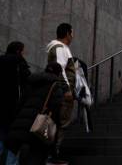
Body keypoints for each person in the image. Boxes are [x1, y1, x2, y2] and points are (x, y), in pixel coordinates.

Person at [5, 62, 69, 165]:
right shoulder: (55, 85)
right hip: (39, 123)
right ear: (58, 73)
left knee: (15, 150)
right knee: (37, 153)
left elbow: (21, 101)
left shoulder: (32, 81)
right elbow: (56, 107)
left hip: (21, 121)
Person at [0, 41, 31, 165]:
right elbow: (27, 82)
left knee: (2, 135)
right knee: (15, 138)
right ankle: (11, 163)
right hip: (14, 106)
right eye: (23, 50)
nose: (24, 53)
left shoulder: (0, 64)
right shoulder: (19, 62)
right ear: (18, 51)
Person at [46, 23, 77, 162]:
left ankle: (52, 154)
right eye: (72, 32)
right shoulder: (60, 48)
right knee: (60, 123)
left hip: (61, 91)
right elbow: (60, 69)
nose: (73, 36)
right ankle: (52, 155)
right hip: (62, 93)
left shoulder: (61, 48)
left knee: (59, 122)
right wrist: (67, 90)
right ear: (67, 33)